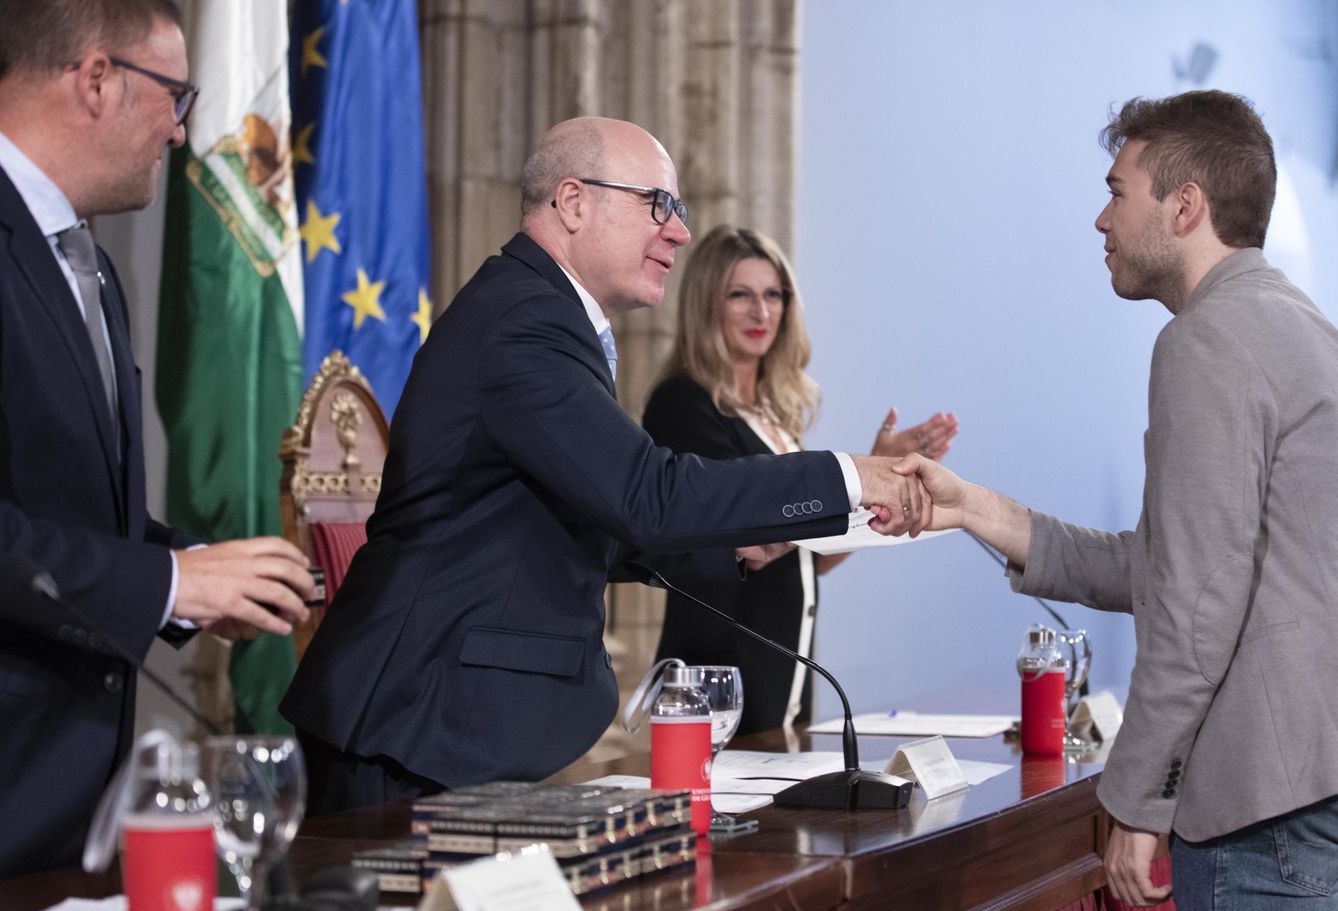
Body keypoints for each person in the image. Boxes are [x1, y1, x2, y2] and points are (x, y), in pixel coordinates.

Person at [894, 90, 1338, 911]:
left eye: (1118, 191)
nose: (1102, 218)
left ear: (1184, 206)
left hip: (1275, 785)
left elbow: (1191, 610)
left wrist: (1137, 800)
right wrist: (973, 508)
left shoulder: (1205, 341)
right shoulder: (1304, 328)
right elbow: (1166, 564)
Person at [280, 118, 928, 815]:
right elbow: (646, 493)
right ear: (573, 202)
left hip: (444, 725)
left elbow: (563, 518)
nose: (679, 231)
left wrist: (732, 547)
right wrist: (849, 477)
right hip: (414, 728)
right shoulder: (525, 321)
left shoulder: (543, 313)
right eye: (658, 204)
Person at [0, 0, 315, 876]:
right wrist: (171, 583)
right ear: (97, 80)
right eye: (175, 96)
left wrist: (205, 571)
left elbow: (68, 511)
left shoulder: (88, 264)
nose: (181, 131)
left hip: (70, 809)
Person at [641, 224, 957, 733]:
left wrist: (880, 473)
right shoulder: (683, 403)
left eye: (773, 295)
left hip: (783, 682)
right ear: (706, 304)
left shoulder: (774, 415)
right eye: (740, 295)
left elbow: (810, 556)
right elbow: (743, 537)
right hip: (718, 676)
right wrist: (857, 478)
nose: (761, 312)